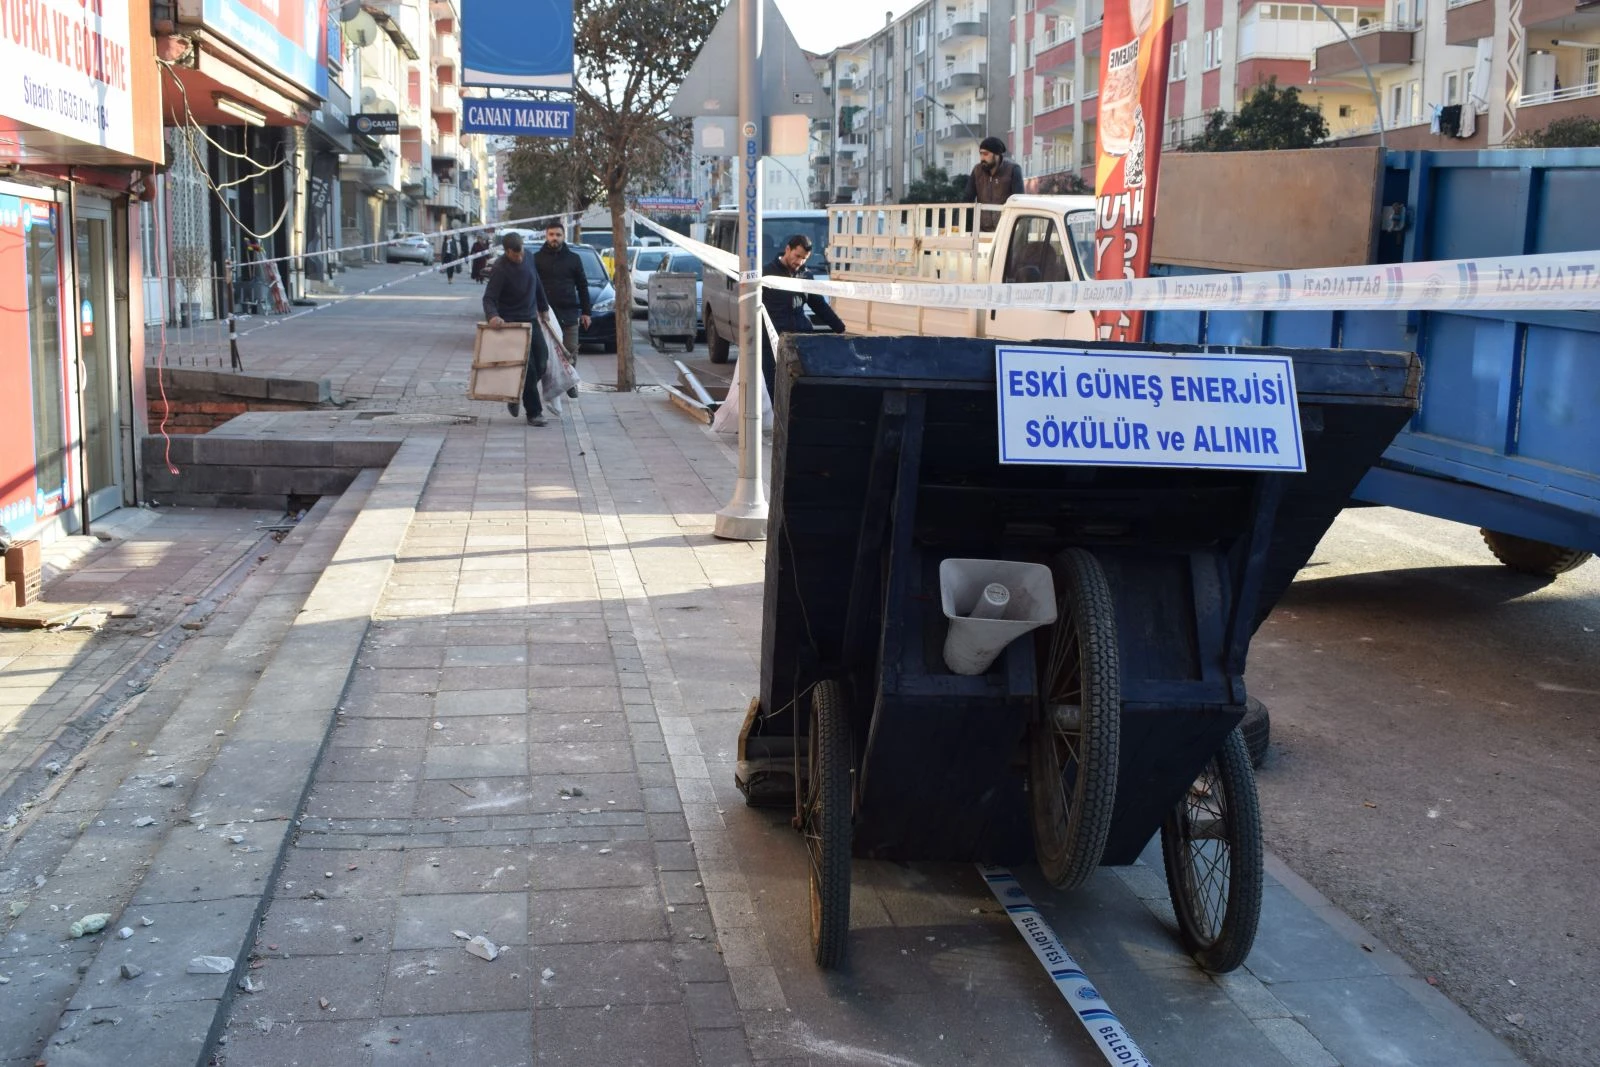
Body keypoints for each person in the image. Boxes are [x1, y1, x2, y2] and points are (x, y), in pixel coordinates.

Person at [482, 232, 554, 426]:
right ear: (507, 252)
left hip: (531, 318)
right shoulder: (500, 268)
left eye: (521, 253)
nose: (519, 257)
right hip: (512, 324)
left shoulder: (529, 257)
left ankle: (516, 390)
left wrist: (543, 307)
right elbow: (489, 298)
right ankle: (534, 412)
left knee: (542, 361)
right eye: (515, 255)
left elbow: (537, 282)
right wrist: (493, 316)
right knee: (528, 368)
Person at [759, 233, 845, 395]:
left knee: (799, 386)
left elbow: (819, 305)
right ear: (787, 250)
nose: (799, 261)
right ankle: (774, 420)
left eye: (804, 258)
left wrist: (840, 328)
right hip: (772, 343)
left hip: (800, 341)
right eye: (797, 256)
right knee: (773, 386)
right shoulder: (766, 273)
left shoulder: (806, 276)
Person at [532, 222, 592, 401]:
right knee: (544, 354)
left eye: (558, 235)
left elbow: (582, 286)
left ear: (563, 236)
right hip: (545, 315)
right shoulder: (536, 259)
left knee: (571, 350)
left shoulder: (573, 258)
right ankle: (543, 387)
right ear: (546, 236)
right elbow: (531, 286)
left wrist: (586, 312)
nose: (554, 238)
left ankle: (570, 383)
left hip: (569, 314)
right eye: (551, 234)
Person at [963, 136, 1024, 232]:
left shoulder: (1013, 170)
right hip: (981, 231)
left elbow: (1019, 201)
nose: (982, 158)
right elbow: (967, 199)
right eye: (981, 154)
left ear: (996, 155)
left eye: (986, 154)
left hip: (1006, 231)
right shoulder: (977, 171)